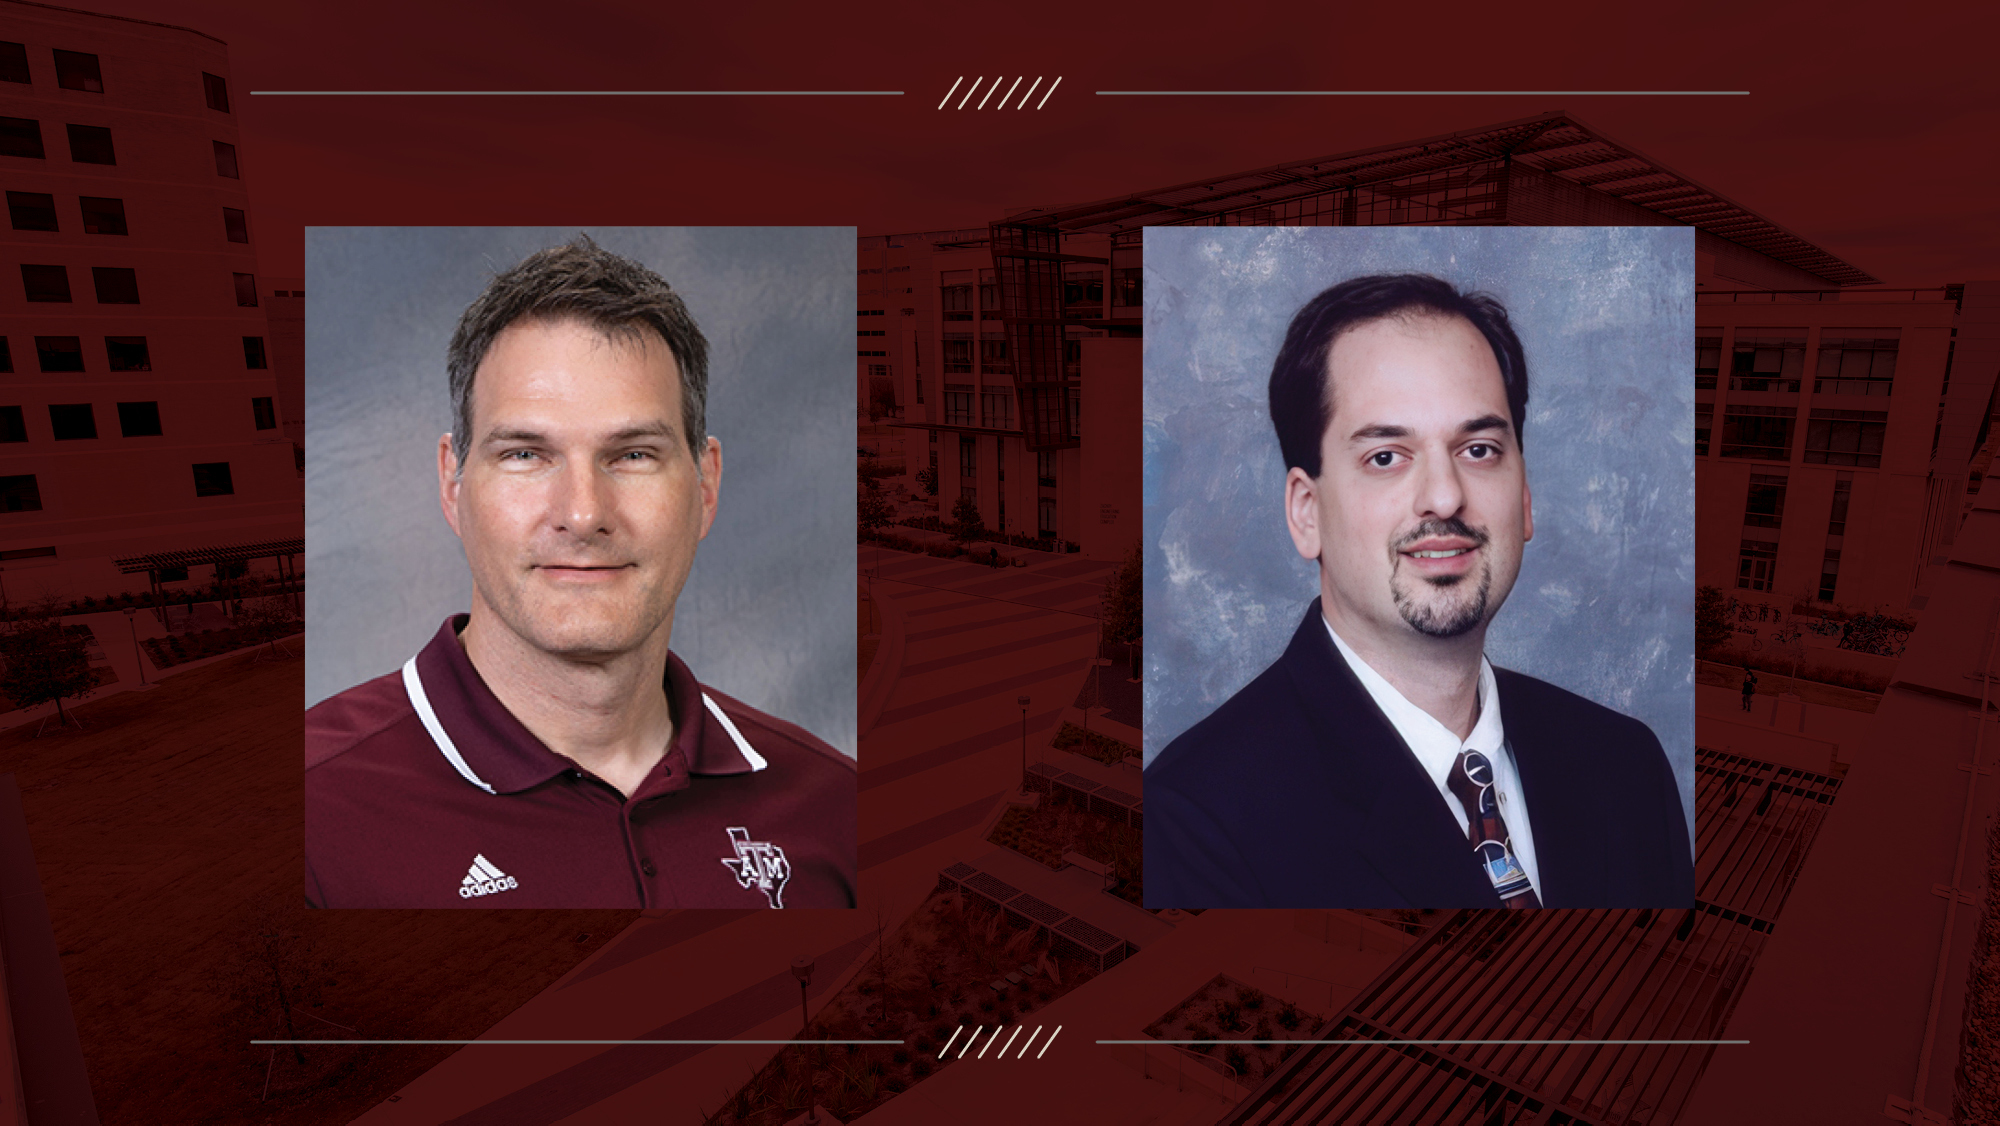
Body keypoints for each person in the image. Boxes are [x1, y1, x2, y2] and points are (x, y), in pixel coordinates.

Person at [305, 237, 855, 909]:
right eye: (526, 454)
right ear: (452, 483)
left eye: (632, 455)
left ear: (706, 484)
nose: (583, 513)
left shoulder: (834, 805)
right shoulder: (312, 816)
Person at [1146, 273, 1694, 910]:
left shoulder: (1626, 768)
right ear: (1306, 512)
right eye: (1386, 456)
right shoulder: (1193, 821)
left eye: (1480, 449)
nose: (1444, 495)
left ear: (1524, 498)